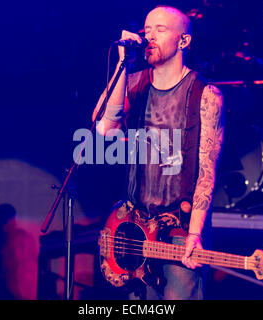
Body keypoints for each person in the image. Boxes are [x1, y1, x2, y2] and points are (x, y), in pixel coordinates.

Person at [92, 6, 224, 300]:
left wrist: (195, 234)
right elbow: (104, 127)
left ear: (183, 41)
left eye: (160, 29)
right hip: (134, 228)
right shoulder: (133, 82)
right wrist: (122, 67)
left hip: (179, 231)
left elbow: (207, 169)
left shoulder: (205, 94)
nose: (149, 36)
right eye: (146, 29)